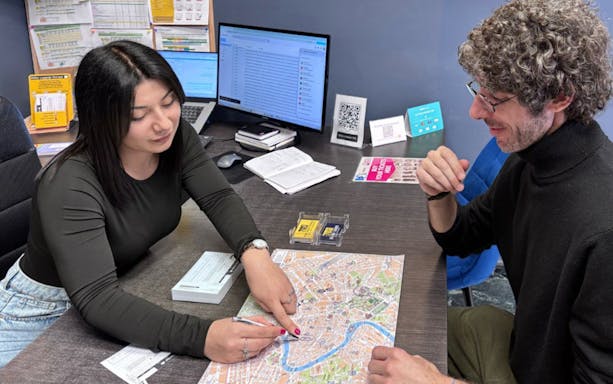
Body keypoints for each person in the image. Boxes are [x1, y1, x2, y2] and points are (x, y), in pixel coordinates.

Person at [0, 40, 301, 367]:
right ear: (103, 119)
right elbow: (97, 299)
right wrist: (202, 337)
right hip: (44, 309)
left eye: (169, 102)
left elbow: (217, 196)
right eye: (138, 115)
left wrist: (255, 254)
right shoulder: (68, 183)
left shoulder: (174, 137)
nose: (163, 123)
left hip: (122, 282)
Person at [368, 0, 613, 383]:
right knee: (383, 328)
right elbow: (461, 236)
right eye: (478, 91)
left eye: (494, 99)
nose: (475, 112)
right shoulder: (528, 158)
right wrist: (438, 194)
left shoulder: (603, 230)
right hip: (518, 346)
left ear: (559, 98)